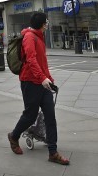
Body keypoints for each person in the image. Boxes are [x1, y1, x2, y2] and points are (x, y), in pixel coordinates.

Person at [7, 12, 69, 165]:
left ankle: (53, 152)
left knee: (50, 117)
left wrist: (49, 79)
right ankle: (14, 136)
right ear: (43, 24)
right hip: (30, 82)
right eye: (46, 22)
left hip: (43, 83)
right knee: (30, 115)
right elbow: (31, 59)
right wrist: (42, 78)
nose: (47, 25)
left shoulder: (39, 37)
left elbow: (42, 62)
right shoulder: (29, 37)